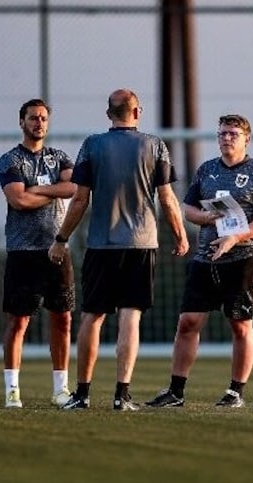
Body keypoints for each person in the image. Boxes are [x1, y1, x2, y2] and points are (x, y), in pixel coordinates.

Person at [48, 88, 190, 411]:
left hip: (101, 243)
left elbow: (79, 199)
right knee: (131, 317)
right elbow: (167, 198)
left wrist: (61, 238)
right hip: (141, 243)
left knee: (92, 316)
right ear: (137, 112)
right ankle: (121, 394)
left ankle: (82, 394)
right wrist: (181, 235)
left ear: (108, 113)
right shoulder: (155, 145)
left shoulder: (91, 145)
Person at [146, 114, 253, 409]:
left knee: (240, 325)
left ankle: (235, 392)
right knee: (188, 322)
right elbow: (188, 208)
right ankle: (175, 392)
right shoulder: (206, 170)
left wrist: (233, 238)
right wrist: (208, 217)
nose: (226, 138)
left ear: (246, 139)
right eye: (222, 134)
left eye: (232, 134)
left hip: (245, 257)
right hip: (205, 258)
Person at [0, 99, 77, 409]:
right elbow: (18, 201)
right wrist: (51, 189)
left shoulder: (59, 157)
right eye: (32, 118)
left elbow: (74, 188)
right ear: (22, 122)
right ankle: (12, 390)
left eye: (43, 118)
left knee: (63, 319)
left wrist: (39, 190)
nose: (38, 123)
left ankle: (60, 389)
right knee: (18, 322)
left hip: (57, 248)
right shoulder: (10, 160)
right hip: (22, 251)